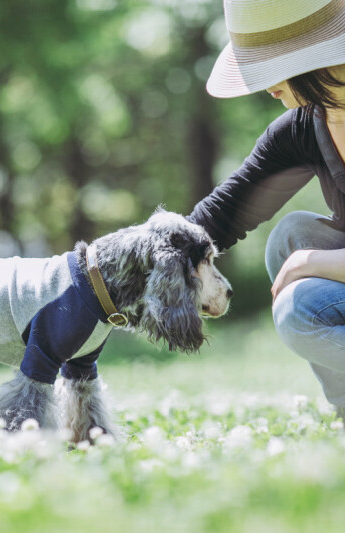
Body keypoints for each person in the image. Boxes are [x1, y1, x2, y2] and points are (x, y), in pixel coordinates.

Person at [187, 0, 345, 417]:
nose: (262, 84)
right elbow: (216, 218)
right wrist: (102, 272)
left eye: (270, 63)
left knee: (300, 308)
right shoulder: (304, 128)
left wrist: (309, 262)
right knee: (290, 236)